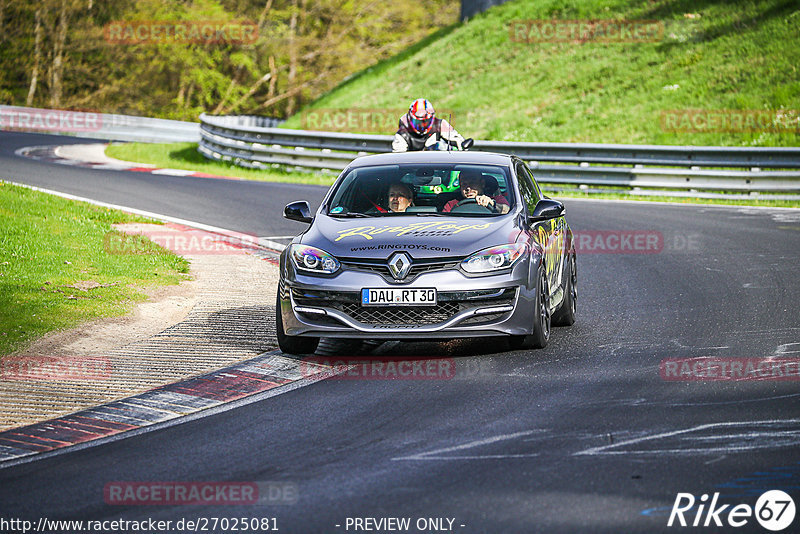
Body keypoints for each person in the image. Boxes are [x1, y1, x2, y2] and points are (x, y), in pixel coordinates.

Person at [392, 98, 465, 152]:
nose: (421, 125)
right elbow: (398, 157)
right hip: (412, 168)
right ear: (410, 118)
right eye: (417, 122)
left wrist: (460, 145)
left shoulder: (440, 125)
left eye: (425, 121)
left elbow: (459, 141)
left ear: (431, 118)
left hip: (439, 166)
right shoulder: (402, 134)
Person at [442, 170, 509, 214]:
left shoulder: (497, 199)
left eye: (472, 183)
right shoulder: (452, 204)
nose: (468, 188)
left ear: (482, 183)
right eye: (464, 184)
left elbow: (507, 210)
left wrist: (492, 204)